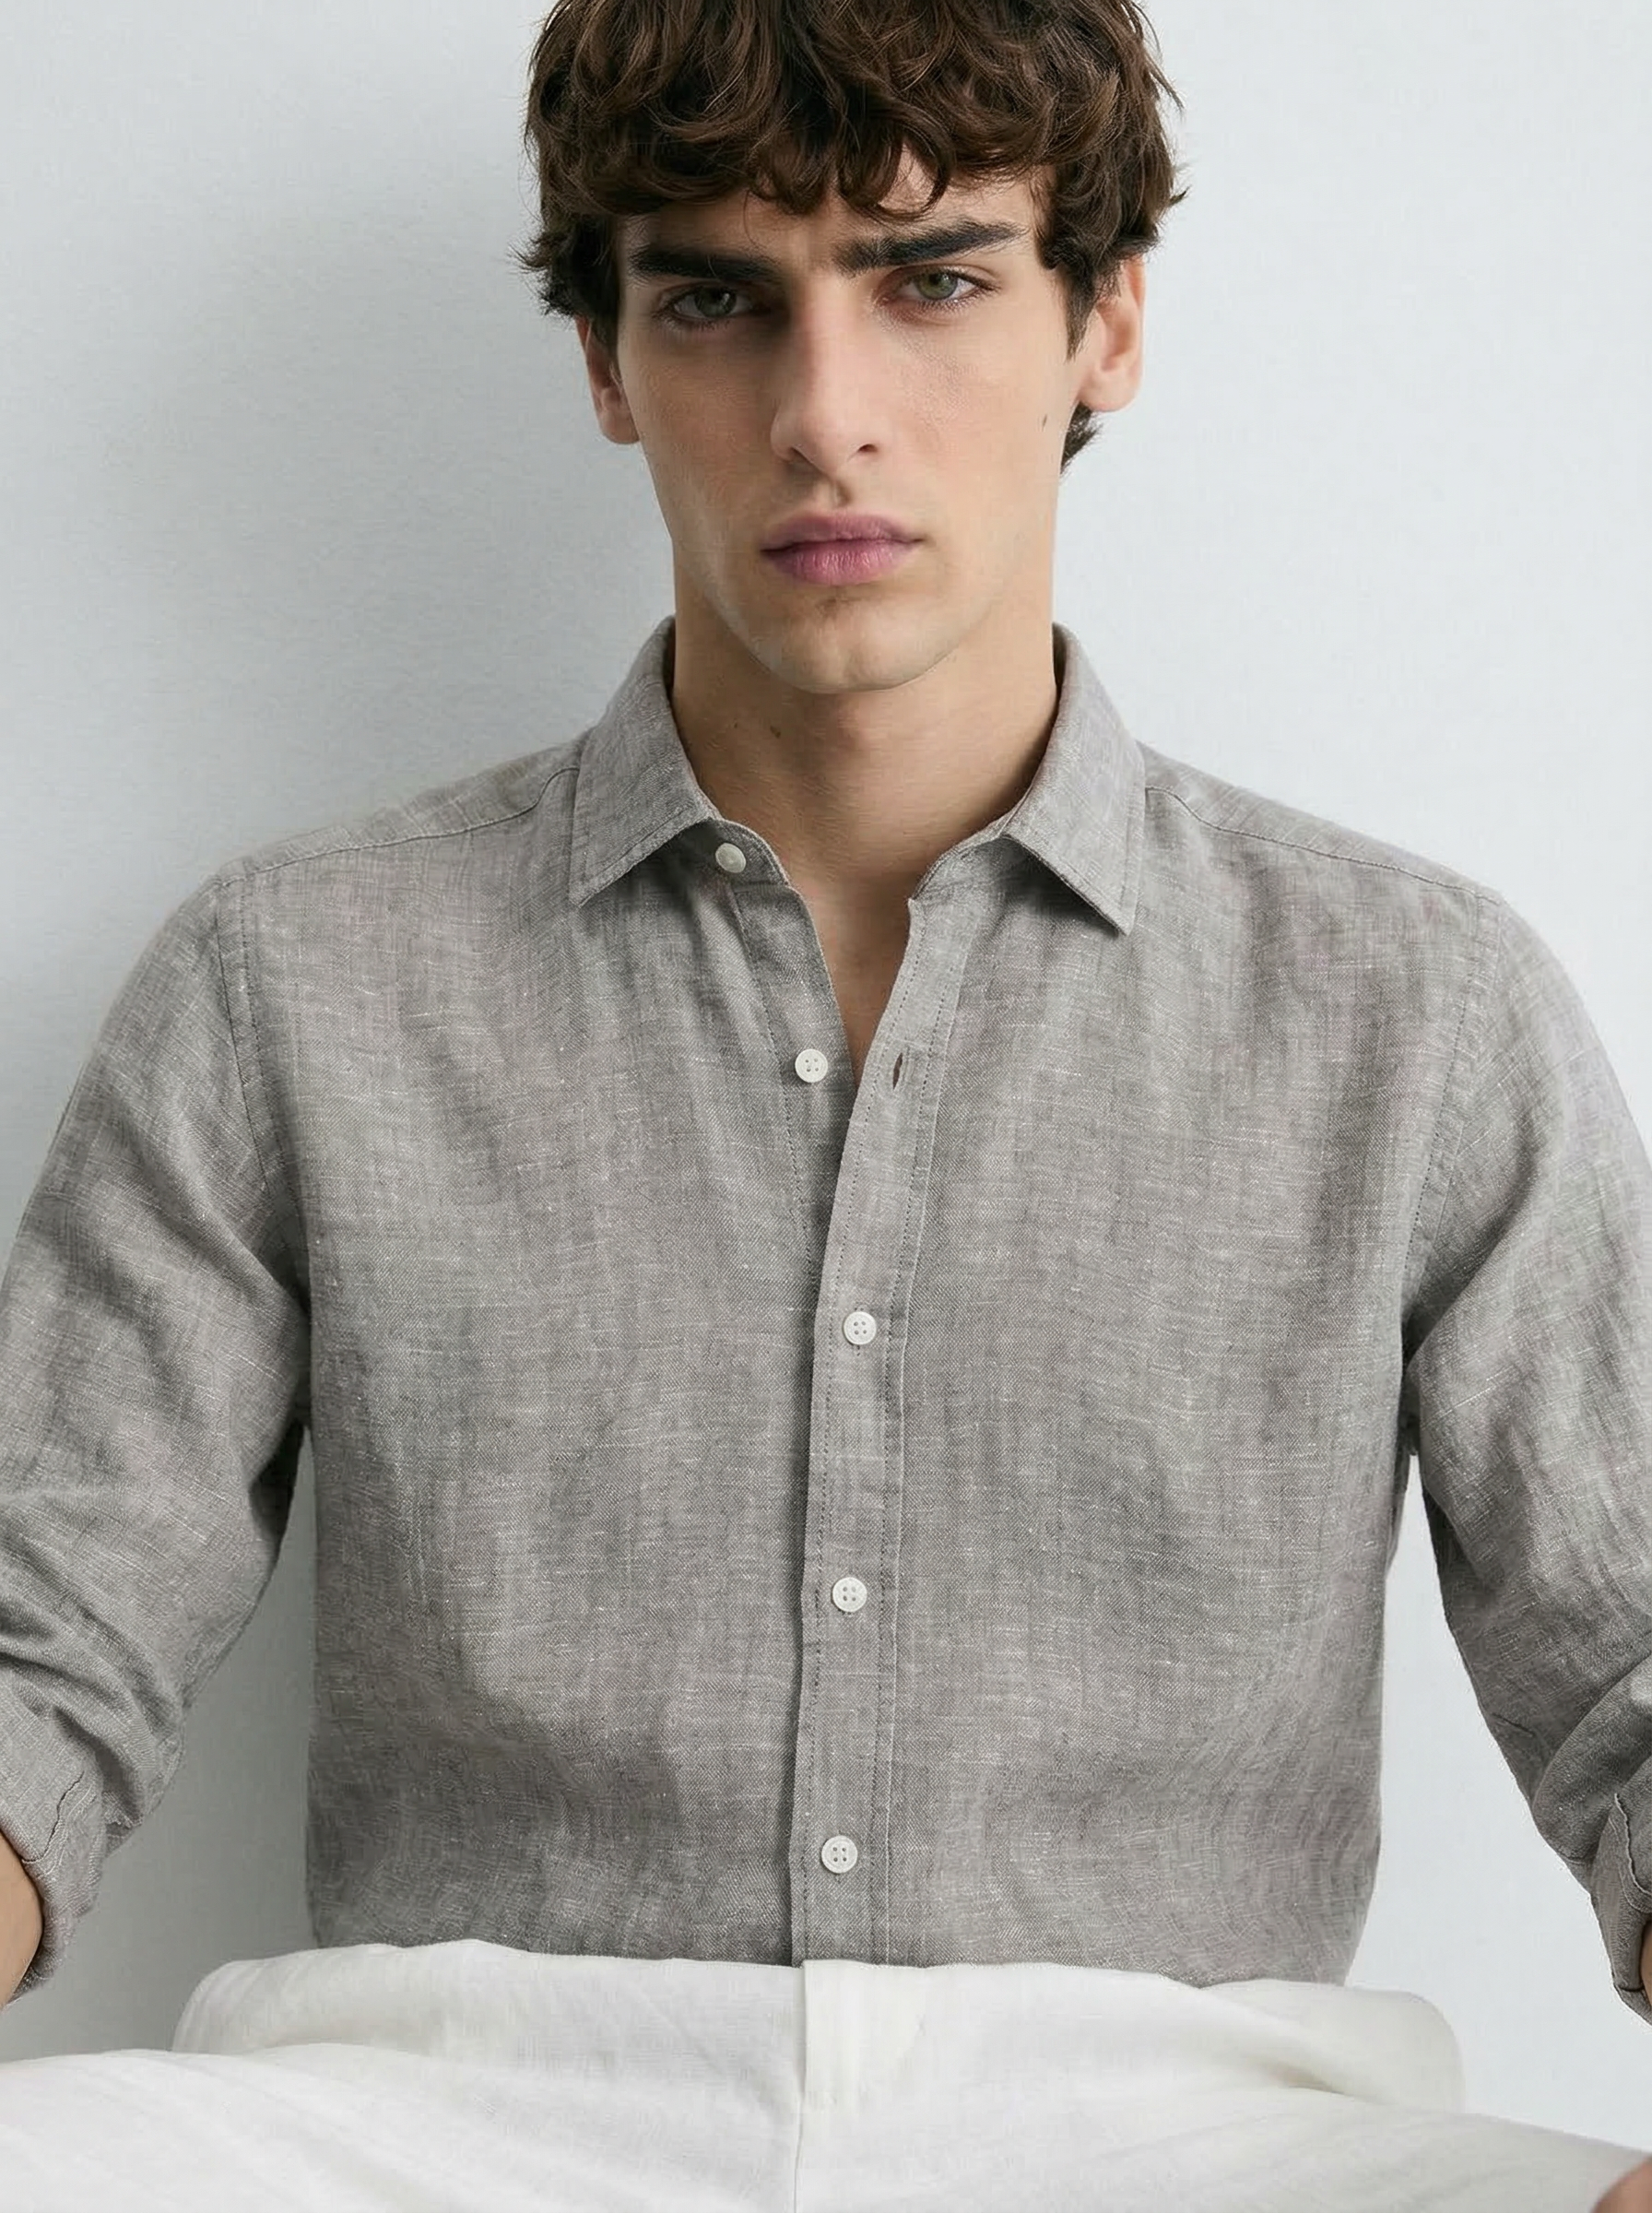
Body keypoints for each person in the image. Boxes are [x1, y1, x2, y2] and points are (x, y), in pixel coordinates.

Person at [1, 0, 1649, 2206]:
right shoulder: (289, 977)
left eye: (931, 280)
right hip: (448, 2128)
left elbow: (1634, 1681)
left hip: (1194, 2147)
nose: (821, 415)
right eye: (714, 300)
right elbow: (41, 1653)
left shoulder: (1413, 1010)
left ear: (1104, 323)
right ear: (606, 362)